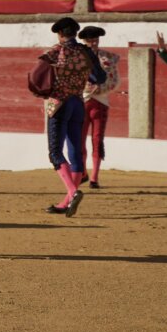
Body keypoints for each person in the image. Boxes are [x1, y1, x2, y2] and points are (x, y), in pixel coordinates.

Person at [42, 17, 102, 217]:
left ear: (60, 34)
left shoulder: (55, 51)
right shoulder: (86, 52)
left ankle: (73, 191)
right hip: (78, 102)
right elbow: (99, 77)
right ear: (75, 33)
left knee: (55, 152)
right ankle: (67, 202)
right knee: (75, 151)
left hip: (59, 102)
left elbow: (37, 75)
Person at [78, 26, 120, 189]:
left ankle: (94, 177)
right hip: (82, 103)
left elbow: (114, 81)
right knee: (80, 141)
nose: (93, 43)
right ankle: (82, 173)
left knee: (97, 140)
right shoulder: (79, 58)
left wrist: (98, 90)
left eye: (95, 40)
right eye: (90, 40)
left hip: (100, 103)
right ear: (84, 41)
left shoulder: (107, 58)